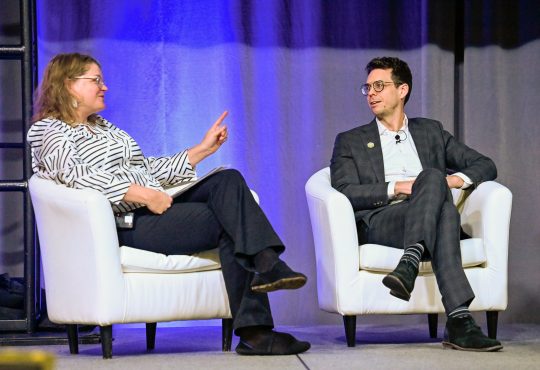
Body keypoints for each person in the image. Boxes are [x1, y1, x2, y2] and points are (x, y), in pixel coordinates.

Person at [27, 53, 310, 356]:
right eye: (96, 80)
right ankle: (258, 323)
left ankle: (266, 276)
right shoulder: (50, 132)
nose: (104, 87)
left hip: (151, 210)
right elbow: (77, 176)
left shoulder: (106, 128)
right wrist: (144, 194)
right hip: (125, 224)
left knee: (228, 180)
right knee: (231, 223)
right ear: (69, 85)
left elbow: (147, 169)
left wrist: (201, 150)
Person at [330, 56, 503, 352]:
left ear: (402, 90)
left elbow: (484, 165)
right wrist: (397, 187)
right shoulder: (351, 140)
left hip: (431, 209)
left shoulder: (430, 132)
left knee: (437, 188)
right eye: (367, 87)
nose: (370, 93)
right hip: (383, 219)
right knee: (441, 201)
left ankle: (410, 260)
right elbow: (344, 190)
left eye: (379, 85)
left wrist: (444, 182)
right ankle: (460, 321)